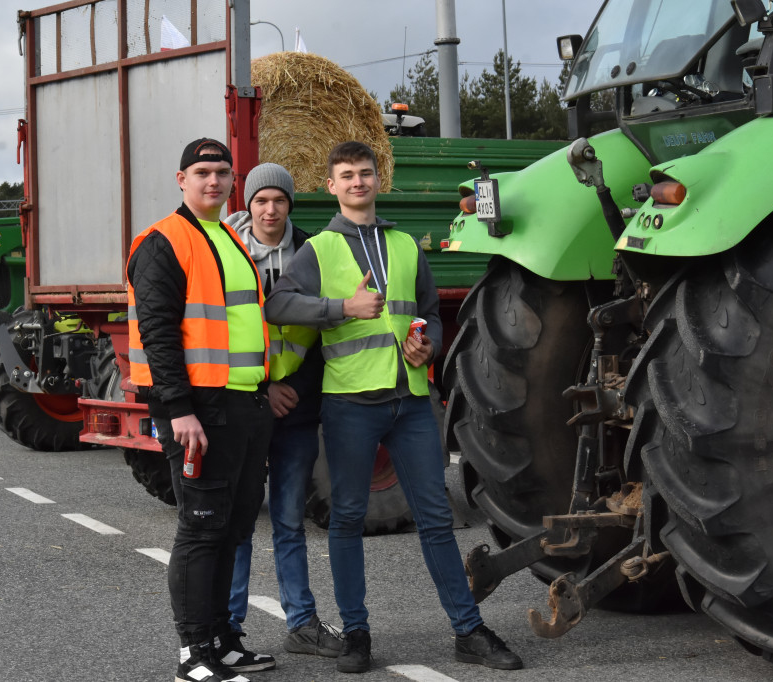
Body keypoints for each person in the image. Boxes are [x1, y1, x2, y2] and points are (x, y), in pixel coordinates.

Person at [266, 141, 523, 673]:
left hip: (410, 403)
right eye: (346, 176)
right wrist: (342, 308)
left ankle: (468, 630)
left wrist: (424, 346)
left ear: (377, 179)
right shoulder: (317, 251)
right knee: (347, 521)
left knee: (436, 519)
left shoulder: (406, 245)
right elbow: (278, 305)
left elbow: (426, 313)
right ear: (332, 186)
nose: (357, 182)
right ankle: (357, 634)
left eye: (365, 173)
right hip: (350, 405)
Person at [126, 138, 276, 682]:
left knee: (232, 529)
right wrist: (178, 409)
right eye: (202, 172)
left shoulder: (228, 239)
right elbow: (158, 334)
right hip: (200, 411)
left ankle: (221, 641)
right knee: (201, 527)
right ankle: (193, 654)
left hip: (243, 404)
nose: (213, 181)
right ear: (181, 179)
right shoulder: (165, 243)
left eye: (221, 172)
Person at [225, 164, 341, 657]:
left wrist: (291, 389)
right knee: (239, 522)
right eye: (260, 201)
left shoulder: (311, 251)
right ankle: (226, 627)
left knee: (290, 522)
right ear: (248, 205)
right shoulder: (226, 252)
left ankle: (301, 624)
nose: (269, 210)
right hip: (246, 404)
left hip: (296, 407)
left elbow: (322, 333)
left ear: (291, 204)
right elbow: (220, 329)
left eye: (278, 200)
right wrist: (264, 388)